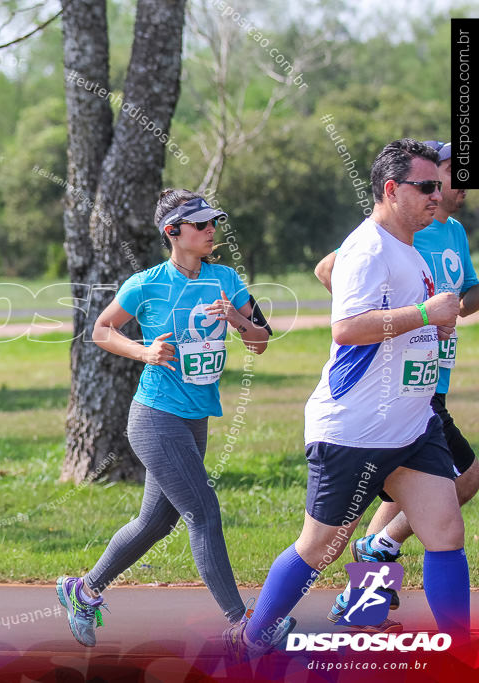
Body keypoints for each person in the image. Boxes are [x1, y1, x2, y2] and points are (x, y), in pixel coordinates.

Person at [227, 139, 469, 661]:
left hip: (411, 424)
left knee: (446, 530)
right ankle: (254, 635)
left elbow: (401, 323)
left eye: (437, 186)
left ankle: (459, 652)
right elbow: (348, 329)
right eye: (425, 187)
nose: (437, 195)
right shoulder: (368, 248)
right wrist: (426, 315)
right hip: (355, 429)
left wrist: (430, 334)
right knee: (321, 547)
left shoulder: (409, 245)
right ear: (391, 190)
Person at [56, 189, 273, 648]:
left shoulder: (226, 279)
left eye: (213, 222)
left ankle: (84, 589)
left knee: (155, 523)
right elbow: (100, 329)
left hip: (196, 418)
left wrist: (236, 317)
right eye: (200, 225)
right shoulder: (146, 283)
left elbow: (260, 341)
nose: (211, 230)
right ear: (172, 232)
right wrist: (143, 351)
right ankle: (242, 623)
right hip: (155, 416)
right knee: (203, 511)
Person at [314, 140, 479, 633]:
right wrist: (396, 326)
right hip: (401, 391)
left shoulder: (451, 232)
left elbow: (464, 297)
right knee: (461, 478)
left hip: (431, 380)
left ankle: (363, 601)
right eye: (448, 175)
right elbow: (330, 272)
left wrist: (441, 318)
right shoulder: (403, 230)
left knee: (403, 492)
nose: (459, 184)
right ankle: (380, 551)